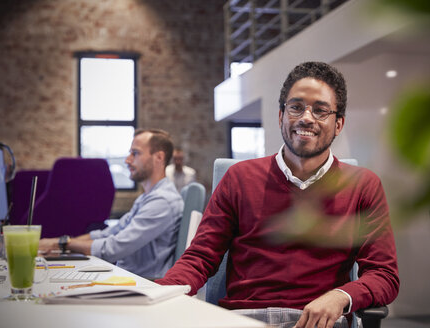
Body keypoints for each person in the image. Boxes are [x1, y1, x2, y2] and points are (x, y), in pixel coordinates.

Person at [156, 62, 400, 328]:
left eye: (320, 110)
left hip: (318, 322)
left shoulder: (362, 185)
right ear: (281, 115)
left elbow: (384, 274)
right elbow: (201, 257)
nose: (306, 117)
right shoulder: (239, 177)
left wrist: (341, 296)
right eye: (296, 107)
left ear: (338, 123)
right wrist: (159, 294)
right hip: (244, 319)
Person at [39, 129, 184, 278]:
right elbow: (109, 234)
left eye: (135, 153)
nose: (127, 160)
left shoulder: (162, 201)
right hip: (128, 278)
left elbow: (113, 248)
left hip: (142, 284)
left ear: (159, 157)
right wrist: (61, 242)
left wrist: (61, 244)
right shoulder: (147, 198)